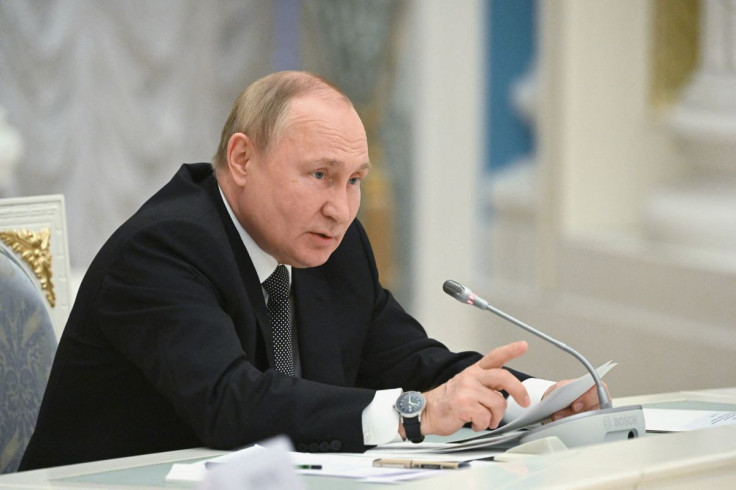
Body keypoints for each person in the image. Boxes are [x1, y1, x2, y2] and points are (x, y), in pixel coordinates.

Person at [20, 71, 603, 470]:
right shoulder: (162, 249)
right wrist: (416, 414)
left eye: (354, 180)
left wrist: (534, 396)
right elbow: (232, 403)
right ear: (243, 159)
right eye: (320, 175)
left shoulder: (331, 245)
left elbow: (409, 360)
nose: (341, 208)